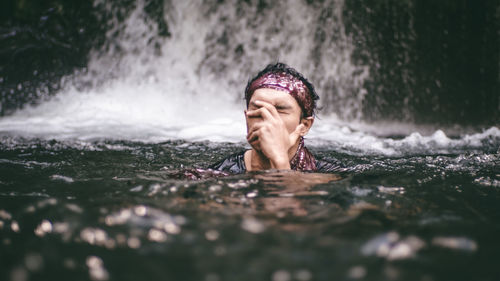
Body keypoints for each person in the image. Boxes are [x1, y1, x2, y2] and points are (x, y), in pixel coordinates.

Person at [210, 62, 344, 174]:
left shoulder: (330, 175)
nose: (267, 118)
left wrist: (279, 159)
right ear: (246, 117)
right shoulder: (219, 173)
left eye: (280, 110)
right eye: (258, 108)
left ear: (305, 126)